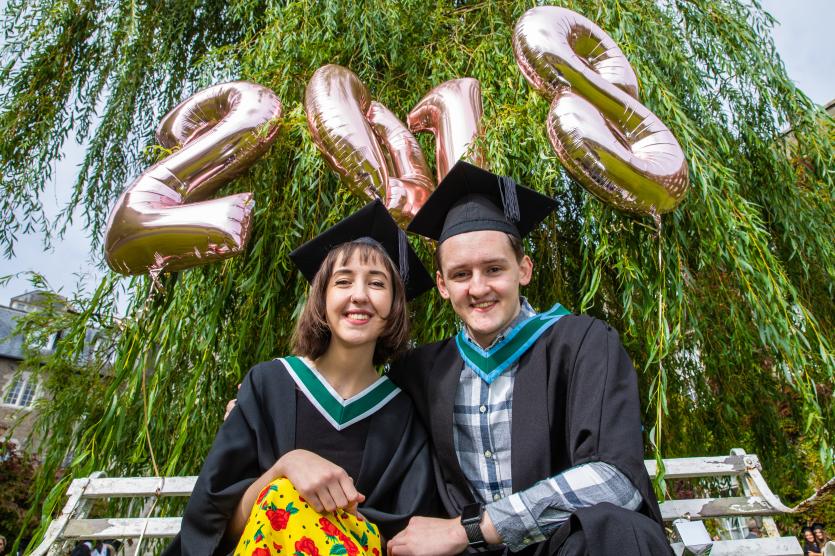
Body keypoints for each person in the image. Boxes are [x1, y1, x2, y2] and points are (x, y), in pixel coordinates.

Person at [385, 161, 671, 555]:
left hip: (562, 548)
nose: (479, 287)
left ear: (524, 270)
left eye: (494, 268)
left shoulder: (584, 344)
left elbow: (615, 480)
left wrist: (472, 529)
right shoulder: (419, 372)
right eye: (461, 274)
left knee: (614, 528)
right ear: (442, 286)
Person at [164, 200, 438, 556]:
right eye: (342, 281)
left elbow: (404, 540)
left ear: (394, 307)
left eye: (377, 283)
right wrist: (284, 468)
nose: (359, 295)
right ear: (321, 299)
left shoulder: (403, 415)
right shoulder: (268, 384)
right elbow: (213, 527)